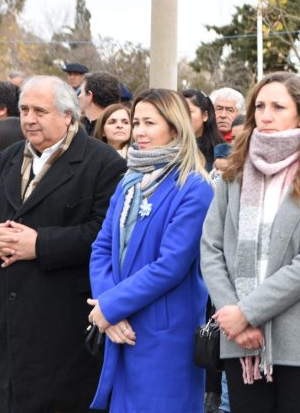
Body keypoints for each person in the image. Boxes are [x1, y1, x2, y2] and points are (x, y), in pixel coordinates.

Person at [0, 75, 126, 412]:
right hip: (3, 321)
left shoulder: (103, 163)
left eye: (40, 111)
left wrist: (41, 244)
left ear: (68, 115)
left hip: (61, 322)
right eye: (25, 109)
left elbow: (106, 233)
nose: (29, 119)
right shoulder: (8, 158)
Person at [201, 71, 300, 412]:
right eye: (260, 106)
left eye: (278, 106)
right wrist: (233, 316)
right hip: (239, 339)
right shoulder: (233, 174)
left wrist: (248, 312)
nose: (265, 115)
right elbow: (211, 248)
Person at [87, 88, 213, 412]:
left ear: (174, 127)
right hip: (122, 325)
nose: (139, 131)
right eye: (136, 122)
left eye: (149, 123)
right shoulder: (129, 180)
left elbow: (170, 265)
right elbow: (102, 247)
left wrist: (112, 305)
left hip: (164, 333)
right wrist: (107, 306)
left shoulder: (194, 186)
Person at [183, 89, 225, 171]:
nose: (183, 116)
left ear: (205, 115)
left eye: (189, 111)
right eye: (180, 111)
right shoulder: (171, 148)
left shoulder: (221, 151)